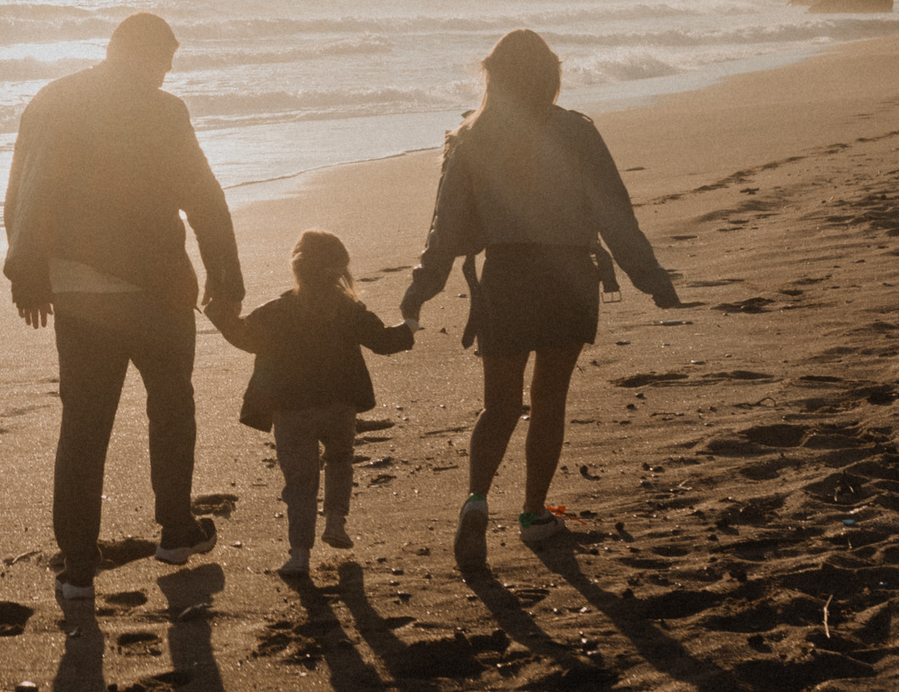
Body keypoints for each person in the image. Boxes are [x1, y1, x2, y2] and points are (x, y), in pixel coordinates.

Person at [398, 29, 680, 570]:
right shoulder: (577, 131)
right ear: (550, 75)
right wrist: (650, 277)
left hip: (506, 279)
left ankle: (476, 501)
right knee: (549, 401)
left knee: (499, 406)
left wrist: (421, 288)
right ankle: (532, 515)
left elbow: (444, 230)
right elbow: (614, 212)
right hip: (568, 278)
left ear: (493, 76)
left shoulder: (469, 138)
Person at [3, 12, 243, 603]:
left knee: (84, 427)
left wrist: (27, 273)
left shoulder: (52, 99)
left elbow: (25, 191)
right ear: (140, 54)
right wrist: (226, 277)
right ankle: (177, 531)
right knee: (172, 406)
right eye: (164, 61)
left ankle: (77, 568)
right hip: (156, 288)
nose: (166, 73)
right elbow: (204, 197)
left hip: (79, 292)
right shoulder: (165, 112)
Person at [220, 230, 414, 578]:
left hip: (290, 411)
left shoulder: (276, 311)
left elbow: (245, 338)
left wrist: (221, 315)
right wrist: (410, 325)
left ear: (297, 269)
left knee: (300, 484)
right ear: (340, 271)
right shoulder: (348, 310)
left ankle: (299, 555)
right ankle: (336, 521)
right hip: (339, 407)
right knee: (339, 460)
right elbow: (383, 341)